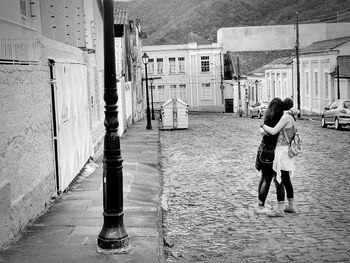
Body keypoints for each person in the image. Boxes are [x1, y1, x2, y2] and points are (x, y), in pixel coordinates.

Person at [261, 97, 299, 217]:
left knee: (279, 179)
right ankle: (292, 206)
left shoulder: (285, 117)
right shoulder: (293, 117)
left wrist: (263, 126)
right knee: (286, 179)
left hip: (281, 151)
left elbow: (273, 131)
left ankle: (280, 209)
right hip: (288, 151)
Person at [255, 97, 284, 213]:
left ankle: (260, 205)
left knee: (263, 178)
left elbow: (263, 131)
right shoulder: (280, 120)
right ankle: (266, 207)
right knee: (272, 180)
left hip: (263, 149)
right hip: (272, 152)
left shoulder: (267, 118)